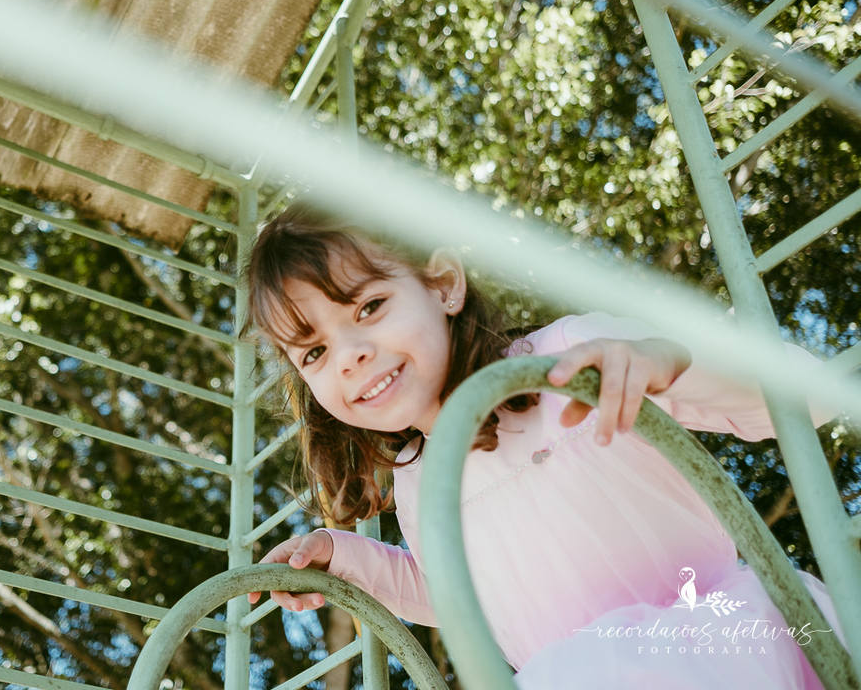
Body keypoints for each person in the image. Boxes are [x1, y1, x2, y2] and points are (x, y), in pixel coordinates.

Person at [244, 202, 840, 689]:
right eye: (314, 353)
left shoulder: (573, 357)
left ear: (444, 285)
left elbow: (802, 401)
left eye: (370, 306)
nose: (350, 357)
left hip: (714, 648)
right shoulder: (417, 477)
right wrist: (343, 559)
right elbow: (459, 597)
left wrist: (669, 364)